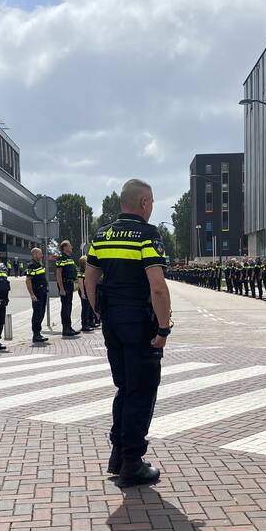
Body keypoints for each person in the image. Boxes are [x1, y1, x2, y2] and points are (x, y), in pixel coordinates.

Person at [84, 179, 168, 489]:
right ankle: (132, 462)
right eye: (152, 201)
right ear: (144, 202)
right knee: (141, 389)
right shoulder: (147, 235)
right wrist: (163, 328)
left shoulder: (102, 234)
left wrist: (99, 310)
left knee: (123, 386)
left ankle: (118, 454)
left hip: (113, 321)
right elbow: (157, 287)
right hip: (139, 321)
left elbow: (89, 276)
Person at [25, 247, 49, 343]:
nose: (42, 255)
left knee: (41, 313)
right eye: (40, 254)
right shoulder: (32, 265)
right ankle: (36, 335)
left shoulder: (38, 264)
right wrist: (32, 294)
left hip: (42, 292)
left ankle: (38, 333)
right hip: (37, 292)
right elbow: (28, 280)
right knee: (37, 314)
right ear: (35, 255)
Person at [55, 240, 79, 336]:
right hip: (64, 285)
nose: (71, 247)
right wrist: (61, 288)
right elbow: (58, 274)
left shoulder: (70, 258)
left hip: (69, 284)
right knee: (65, 307)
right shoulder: (61, 258)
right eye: (70, 246)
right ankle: (65, 329)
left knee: (69, 307)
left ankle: (69, 327)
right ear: (65, 247)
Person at [77, 255, 95, 332]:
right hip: (83, 291)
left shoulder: (86, 271)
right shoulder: (81, 272)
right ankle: (84, 325)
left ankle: (89, 323)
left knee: (88, 308)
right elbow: (80, 283)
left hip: (87, 291)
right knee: (85, 309)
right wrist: (83, 293)